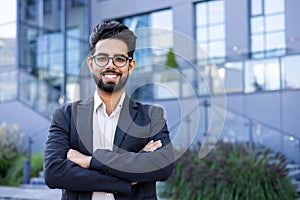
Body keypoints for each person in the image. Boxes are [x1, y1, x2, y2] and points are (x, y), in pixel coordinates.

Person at [44, 20, 174, 200]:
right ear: (91, 63)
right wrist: (124, 180)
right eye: (102, 58)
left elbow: (163, 166)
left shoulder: (152, 116)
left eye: (119, 59)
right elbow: (53, 172)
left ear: (131, 66)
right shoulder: (66, 116)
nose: (110, 65)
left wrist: (90, 161)